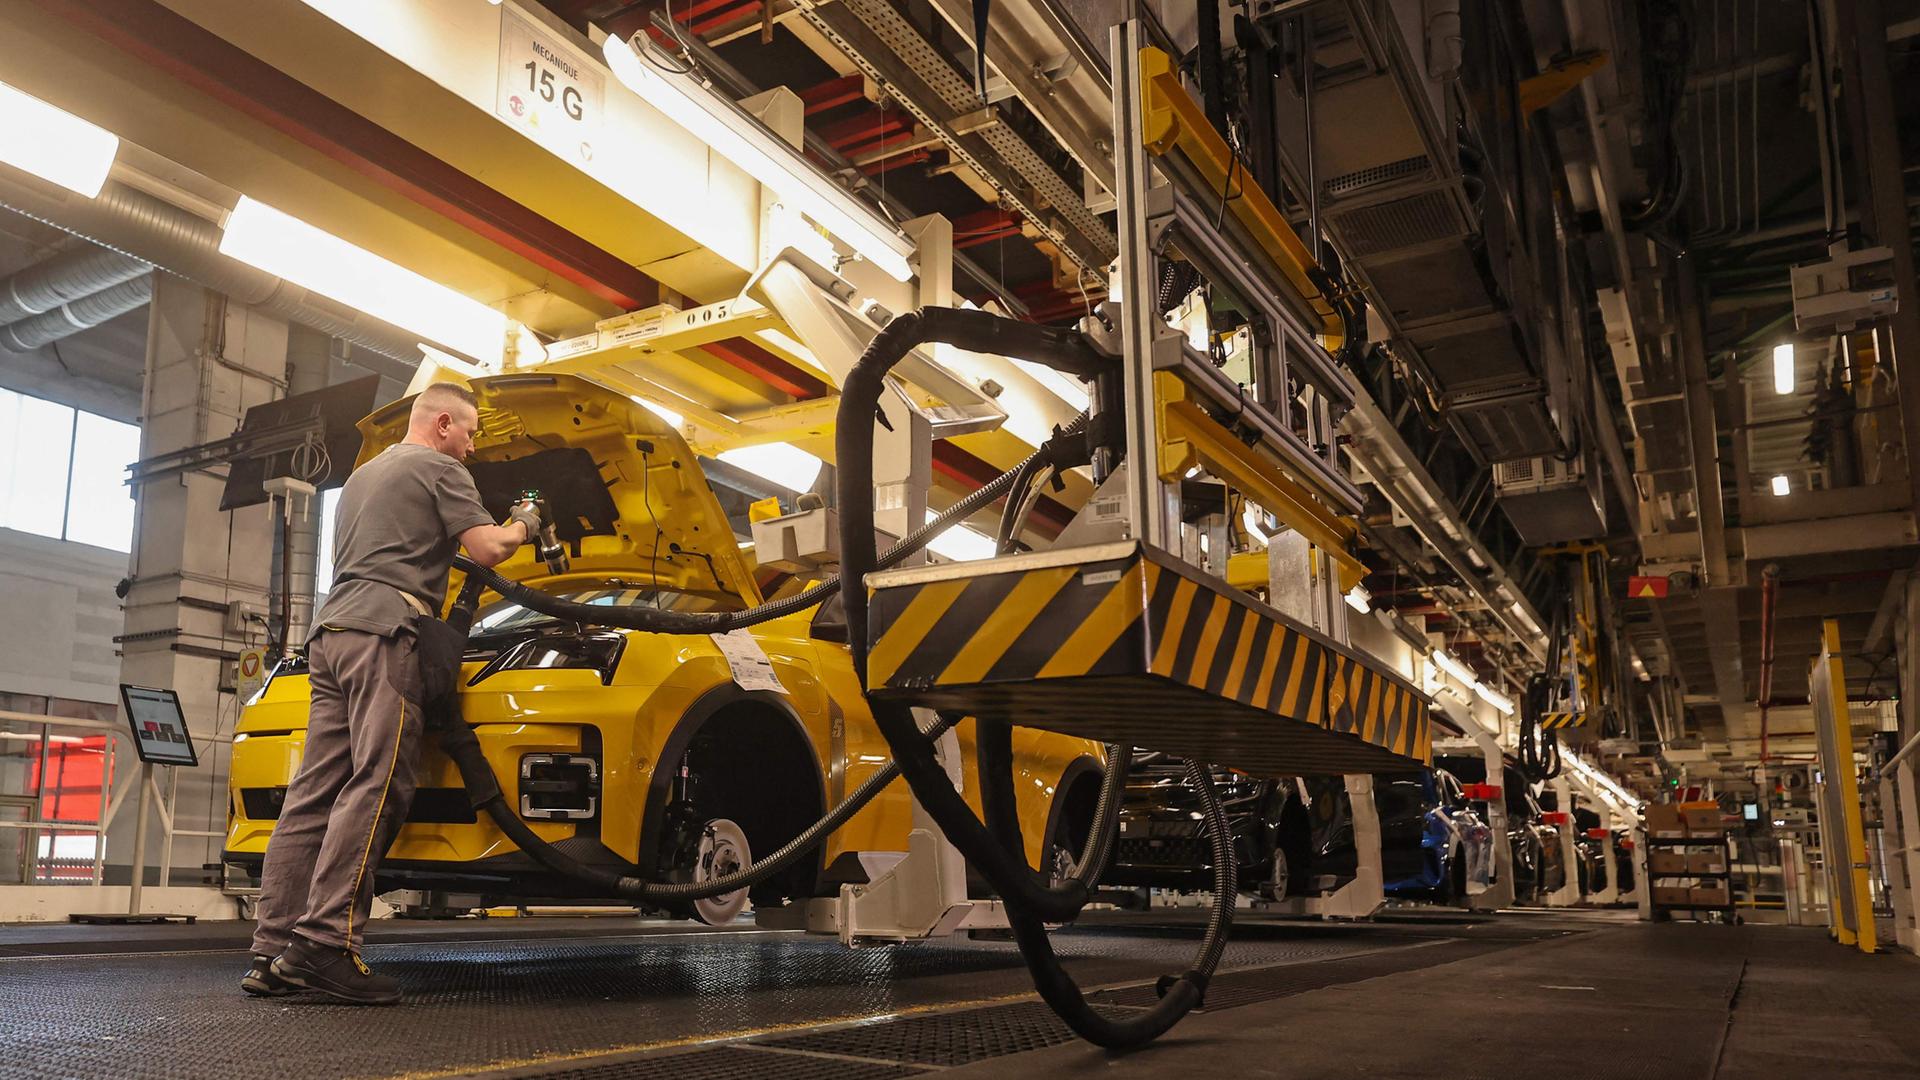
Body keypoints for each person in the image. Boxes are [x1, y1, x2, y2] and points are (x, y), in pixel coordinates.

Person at [239, 382, 538, 1004]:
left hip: (330, 635)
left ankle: (272, 951)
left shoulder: (362, 478)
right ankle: (325, 944)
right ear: (445, 424)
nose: (473, 446)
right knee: (380, 781)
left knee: (313, 792)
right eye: (472, 433)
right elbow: (489, 548)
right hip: (384, 635)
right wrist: (525, 521)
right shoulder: (439, 467)